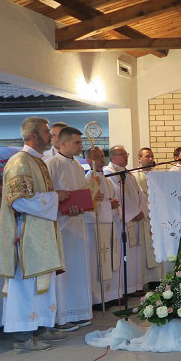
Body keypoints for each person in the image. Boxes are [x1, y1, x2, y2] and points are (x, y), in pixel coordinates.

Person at [0, 117, 70, 351]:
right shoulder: (19, 162)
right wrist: (56, 197)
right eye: (47, 132)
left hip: (39, 233)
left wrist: (58, 200)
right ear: (32, 136)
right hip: (25, 235)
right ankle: (23, 338)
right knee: (25, 286)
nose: (51, 136)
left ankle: (40, 327)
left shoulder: (38, 161)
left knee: (41, 282)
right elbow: (18, 200)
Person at [47, 126, 95, 330]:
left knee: (79, 269)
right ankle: (63, 316)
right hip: (62, 225)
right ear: (63, 143)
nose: (80, 146)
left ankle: (80, 311)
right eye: (77, 142)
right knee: (65, 273)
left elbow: (81, 191)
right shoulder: (51, 164)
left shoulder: (77, 165)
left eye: (81, 142)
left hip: (78, 223)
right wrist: (61, 203)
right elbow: (47, 194)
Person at [104, 145, 145, 295]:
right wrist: (134, 212)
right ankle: (123, 289)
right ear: (112, 156)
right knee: (123, 254)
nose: (126, 157)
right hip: (122, 221)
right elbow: (119, 193)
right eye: (122, 154)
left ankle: (134, 286)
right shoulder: (110, 172)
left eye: (126, 154)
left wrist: (142, 210)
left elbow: (139, 193)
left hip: (134, 218)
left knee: (134, 254)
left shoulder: (128, 173)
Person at [85, 146, 121, 309]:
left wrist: (110, 204)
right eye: (97, 157)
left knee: (108, 260)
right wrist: (108, 204)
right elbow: (90, 202)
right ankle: (96, 298)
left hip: (107, 221)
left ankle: (109, 295)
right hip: (94, 224)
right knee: (97, 262)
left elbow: (107, 198)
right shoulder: (88, 178)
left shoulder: (105, 178)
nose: (101, 159)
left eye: (102, 156)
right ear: (88, 160)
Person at [132, 147, 165, 286]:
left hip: (157, 217)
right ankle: (145, 281)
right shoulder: (134, 176)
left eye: (152, 156)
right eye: (147, 156)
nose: (151, 159)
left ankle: (158, 279)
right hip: (143, 218)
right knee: (145, 250)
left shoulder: (156, 175)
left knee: (157, 248)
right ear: (139, 158)